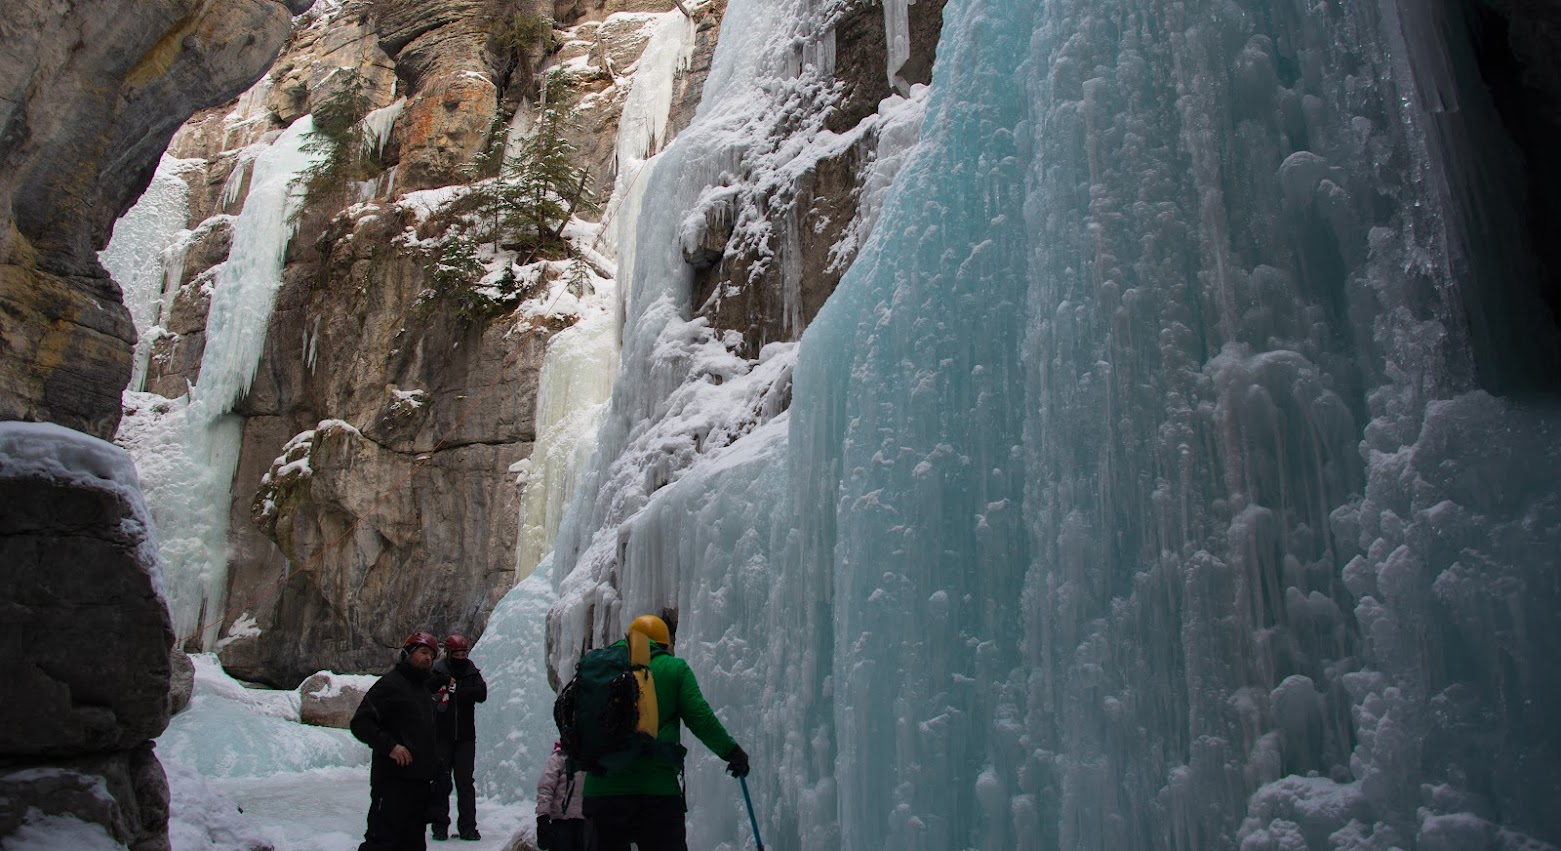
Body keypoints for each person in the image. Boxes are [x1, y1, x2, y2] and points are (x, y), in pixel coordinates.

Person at [581, 614, 750, 851]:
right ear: (664, 644)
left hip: (601, 793)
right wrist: (732, 752)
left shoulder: (599, 670)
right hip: (656, 794)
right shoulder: (674, 668)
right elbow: (700, 717)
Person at [351, 632, 442, 851]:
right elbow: (361, 723)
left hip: (418, 786)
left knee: (413, 844)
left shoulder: (422, 691)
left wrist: (437, 772)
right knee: (382, 842)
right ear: (407, 654)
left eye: (431, 655)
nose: (428, 658)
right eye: (423, 652)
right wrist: (390, 746)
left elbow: (426, 736)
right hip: (392, 783)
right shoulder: (390, 685)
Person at [427, 634, 487, 841]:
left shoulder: (471, 672)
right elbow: (427, 688)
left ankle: (468, 828)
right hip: (442, 736)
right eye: (457, 654)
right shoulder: (439, 671)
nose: (461, 657)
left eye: (463, 653)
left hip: (465, 738)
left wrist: (459, 692)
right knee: (441, 782)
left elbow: (481, 693)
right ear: (450, 653)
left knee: (464, 783)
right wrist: (442, 681)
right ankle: (439, 827)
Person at [535, 741, 588, 850]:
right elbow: (546, 788)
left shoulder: (591, 757)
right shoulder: (559, 757)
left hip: (586, 822)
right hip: (562, 823)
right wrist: (543, 817)